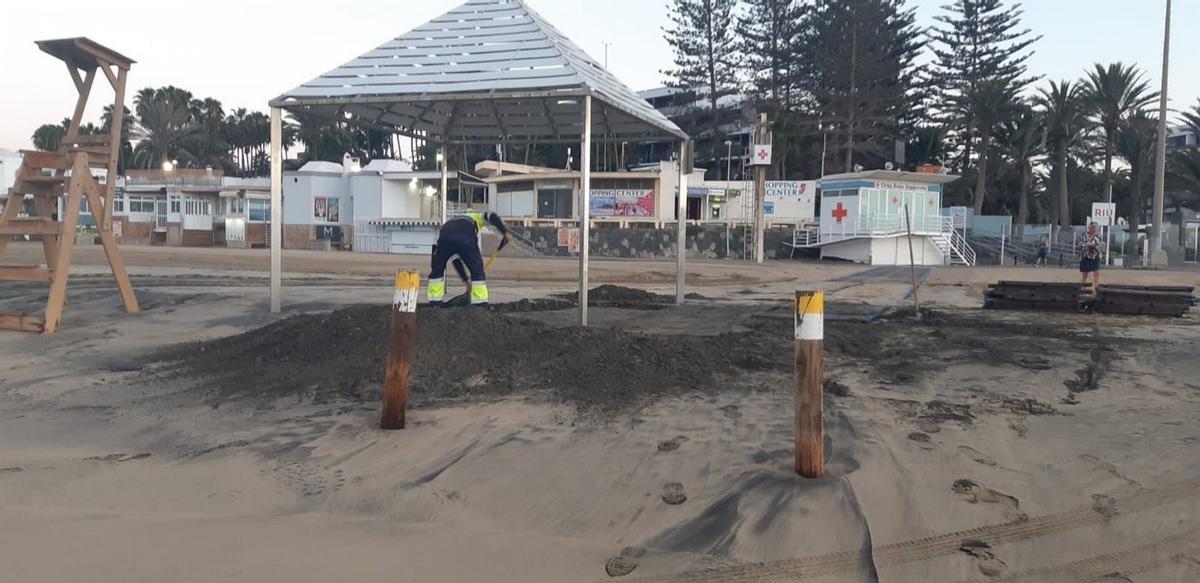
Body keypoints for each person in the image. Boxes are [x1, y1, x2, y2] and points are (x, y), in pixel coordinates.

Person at [427, 210, 511, 307]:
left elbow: (456, 260)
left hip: (443, 239)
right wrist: (505, 232)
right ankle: (480, 304)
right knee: (477, 270)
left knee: (437, 271)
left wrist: (466, 281)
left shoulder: (450, 223)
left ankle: (435, 304)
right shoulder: (476, 217)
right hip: (465, 238)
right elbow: (491, 215)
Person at [1078, 223, 1104, 290]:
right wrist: (1088, 245)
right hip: (1085, 256)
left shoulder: (1098, 236)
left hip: (1095, 257)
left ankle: (1097, 290)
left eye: (1095, 227)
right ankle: (1083, 289)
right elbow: (1080, 245)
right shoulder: (1084, 235)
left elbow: (1101, 247)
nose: (1094, 229)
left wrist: (1099, 248)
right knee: (1085, 275)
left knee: (1097, 274)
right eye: (1093, 227)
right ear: (1089, 228)